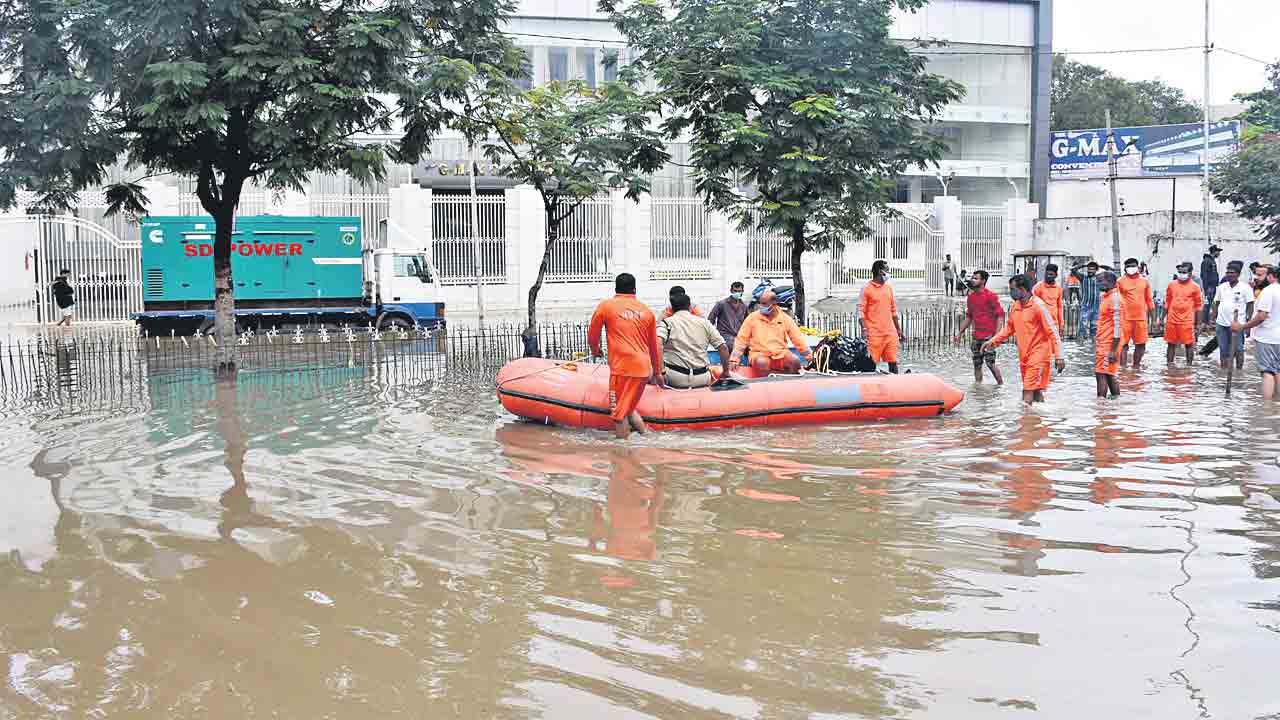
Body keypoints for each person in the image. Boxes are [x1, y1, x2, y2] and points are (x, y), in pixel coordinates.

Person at [588, 273, 665, 440]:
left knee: (618, 414)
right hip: (644, 370)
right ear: (635, 289)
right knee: (628, 409)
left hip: (622, 370)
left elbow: (592, 335)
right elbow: (654, 347)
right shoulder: (647, 311)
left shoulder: (606, 306)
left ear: (615, 288)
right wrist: (658, 373)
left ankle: (623, 456)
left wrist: (595, 350)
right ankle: (648, 440)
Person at [982, 274, 1066, 404]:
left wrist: (1059, 356)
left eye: (1012, 289)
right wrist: (992, 341)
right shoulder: (1015, 306)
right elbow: (1009, 329)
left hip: (1039, 354)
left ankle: (1025, 420)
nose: (1010, 293)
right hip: (1024, 355)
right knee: (1035, 390)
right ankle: (1042, 419)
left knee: (1027, 389)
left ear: (1022, 289)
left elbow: (1053, 332)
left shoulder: (1039, 306)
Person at [657, 292, 731, 389]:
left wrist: (661, 372)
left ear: (671, 308)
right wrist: (725, 372)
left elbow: (657, 344)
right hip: (703, 378)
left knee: (649, 371)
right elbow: (723, 347)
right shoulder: (705, 323)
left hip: (675, 378)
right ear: (690, 307)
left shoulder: (666, 323)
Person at [730, 289, 812, 375]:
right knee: (762, 362)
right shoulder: (752, 318)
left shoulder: (785, 318)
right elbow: (741, 340)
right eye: (760, 303)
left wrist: (811, 358)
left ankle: (789, 384)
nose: (761, 306)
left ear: (774, 304)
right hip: (759, 354)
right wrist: (734, 359)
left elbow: (798, 339)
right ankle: (767, 385)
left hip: (781, 353)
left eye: (764, 304)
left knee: (795, 361)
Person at [1233, 264, 1280, 400]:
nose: (1256, 278)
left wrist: (1242, 326)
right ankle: (1276, 406)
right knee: (1278, 371)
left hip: (1267, 338)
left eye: (1260, 275)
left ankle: (1266, 408)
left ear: (1271, 276)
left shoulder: (1269, 291)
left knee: (1267, 372)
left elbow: (1262, 316)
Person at [954, 269, 1004, 385]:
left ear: (983, 281)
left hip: (989, 337)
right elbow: (969, 317)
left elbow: (1000, 316)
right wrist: (959, 333)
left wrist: (995, 337)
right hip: (976, 336)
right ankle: (978, 387)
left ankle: (1000, 386)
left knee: (990, 363)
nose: (972, 280)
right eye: (972, 277)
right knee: (977, 364)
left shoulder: (991, 296)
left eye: (976, 278)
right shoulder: (971, 297)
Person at [859, 260, 906, 373]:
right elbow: (860, 312)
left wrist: (899, 330)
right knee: (871, 364)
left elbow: (893, 311)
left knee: (893, 362)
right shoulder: (866, 289)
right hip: (874, 334)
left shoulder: (888, 288)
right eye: (887, 270)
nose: (889, 273)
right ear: (881, 272)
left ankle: (894, 386)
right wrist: (864, 329)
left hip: (890, 333)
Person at [1212, 260, 1254, 372]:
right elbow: (1216, 302)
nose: (1229, 275)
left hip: (1238, 324)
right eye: (1228, 272)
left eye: (1232, 273)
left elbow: (1250, 305)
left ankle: (1239, 372)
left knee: (1238, 349)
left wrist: (1248, 324)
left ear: (1238, 274)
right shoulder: (1222, 287)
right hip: (1221, 323)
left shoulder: (1245, 288)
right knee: (1223, 349)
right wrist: (1214, 317)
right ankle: (1224, 371)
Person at [1164, 261, 1204, 365]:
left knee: (1189, 345)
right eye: (1179, 272)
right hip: (1172, 320)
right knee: (1171, 344)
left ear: (1190, 273)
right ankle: (1169, 366)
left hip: (1187, 321)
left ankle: (1189, 367)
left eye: (1184, 272)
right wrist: (1161, 318)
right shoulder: (1171, 285)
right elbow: (1167, 302)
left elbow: (1198, 306)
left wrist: (1199, 324)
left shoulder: (1195, 287)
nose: (1181, 274)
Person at [1117, 257, 1154, 368]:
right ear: (1125, 268)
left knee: (1141, 344)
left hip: (1141, 318)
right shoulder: (1120, 281)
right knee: (1122, 344)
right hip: (1125, 318)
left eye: (1132, 266)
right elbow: (1116, 300)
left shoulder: (1144, 281)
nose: (1130, 268)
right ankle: (1123, 368)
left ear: (1137, 267)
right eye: (1128, 266)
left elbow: (1149, 300)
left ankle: (1136, 367)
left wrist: (1154, 319)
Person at [1094, 271, 1123, 398]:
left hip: (1109, 344)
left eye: (1100, 281)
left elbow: (1118, 326)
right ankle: (1114, 403)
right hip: (1103, 342)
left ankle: (1101, 405)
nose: (1098, 283)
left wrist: (1113, 350)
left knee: (1100, 374)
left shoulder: (1115, 299)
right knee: (1109, 374)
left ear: (1110, 282)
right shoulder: (1105, 297)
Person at [706, 281, 750, 353]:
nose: (737, 293)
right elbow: (710, 320)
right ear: (731, 291)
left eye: (739, 291)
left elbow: (748, 323)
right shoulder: (722, 304)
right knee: (734, 346)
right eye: (735, 291)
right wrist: (712, 336)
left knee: (752, 347)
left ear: (742, 291)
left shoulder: (744, 306)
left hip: (739, 335)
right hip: (725, 335)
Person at [1071, 261, 1102, 341]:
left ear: (1096, 270)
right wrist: (1084, 265)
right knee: (1082, 327)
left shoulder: (1100, 278)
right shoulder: (1083, 277)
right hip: (1085, 306)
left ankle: (1093, 346)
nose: (1090, 271)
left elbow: (1112, 272)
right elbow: (1073, 270)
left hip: (1097, 307)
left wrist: (1101, 266)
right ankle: (1081, 346)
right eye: (1089, 269)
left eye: (1092, 269)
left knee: (1094, 328)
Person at [1032, 263, 1065, 334]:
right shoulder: (1038, 287)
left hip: (1054, 323)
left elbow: (1060, 307)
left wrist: (1061, 323)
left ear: (1056, 275)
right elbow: (1032, 305)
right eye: (1046, 274)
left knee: (1054, 344)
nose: (1048, 276)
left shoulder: (1059, 289)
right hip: (1040, 324)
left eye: (1051, 274)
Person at [1201, 245, 1222, 323]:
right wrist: (1206, 288)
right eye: (1218, 251)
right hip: (1209, 287)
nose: (1219, 253)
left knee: (1209, 304)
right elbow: (1204, 275)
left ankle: (1207, 322)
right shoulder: (1207, 261)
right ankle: (1204, 323)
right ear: (1214, 251)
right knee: (1207, 305)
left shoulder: (1211, 260)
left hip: (1212, 286)